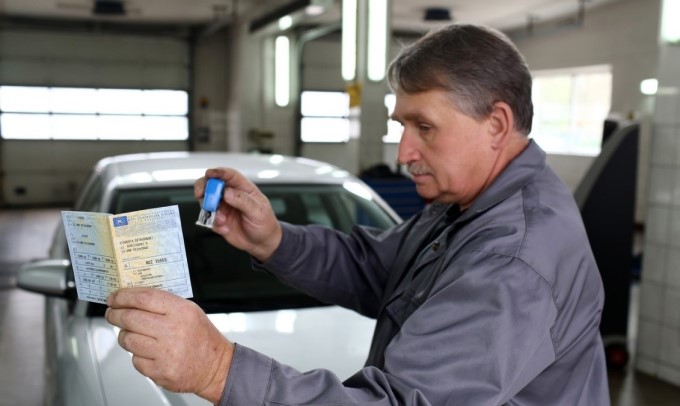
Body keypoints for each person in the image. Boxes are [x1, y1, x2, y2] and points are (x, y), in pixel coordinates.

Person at [105, 23, 610, 405]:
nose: (403, 153)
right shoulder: (468, 204)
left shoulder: (512, 260)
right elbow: (377, 269)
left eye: (425, 127)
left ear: (496, 124)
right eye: (401, 126)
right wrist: (273, 240)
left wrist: (218, 369)